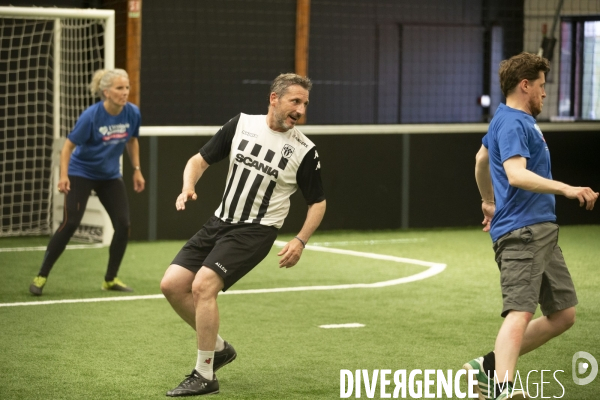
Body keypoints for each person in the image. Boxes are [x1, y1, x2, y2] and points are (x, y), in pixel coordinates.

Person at [160, 73, 326, 397]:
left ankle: (204, 374)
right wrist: (187, 186)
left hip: (255, 231)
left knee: (202, 286)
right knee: (172, 285)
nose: (301, 110)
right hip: (220, 221)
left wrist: (300, 240)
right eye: (295, 101)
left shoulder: (304, 151)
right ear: (274, 99)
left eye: (305, 104)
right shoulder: (241, 124)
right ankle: (219, 349)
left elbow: (317, 203)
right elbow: (199, 160)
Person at [466, 52, 599, 400]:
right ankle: (501, 390)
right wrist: (567, 188)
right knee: (520, 312)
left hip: (540, 232)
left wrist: (489, 201)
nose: (544, 93)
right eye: (541, 86)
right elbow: (516, 174)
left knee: (563, 315)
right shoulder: (513, 122)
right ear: (525, 85)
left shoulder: (507, 119)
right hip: (522, 233)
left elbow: (481, 160)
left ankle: (488, 368)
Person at [29, 69, 145, 296]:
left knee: (123, 224)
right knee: (70, 223)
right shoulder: (91, 116)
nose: (125, 92)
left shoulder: (132, 113)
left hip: (110, 176)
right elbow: (68, 147)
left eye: (127, 87)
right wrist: (63, 176)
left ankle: (110, 280)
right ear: (106, 92)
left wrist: (137, 170)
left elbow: (132, 140)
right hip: (81, 173)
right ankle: (41, 275)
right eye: (120, 88)